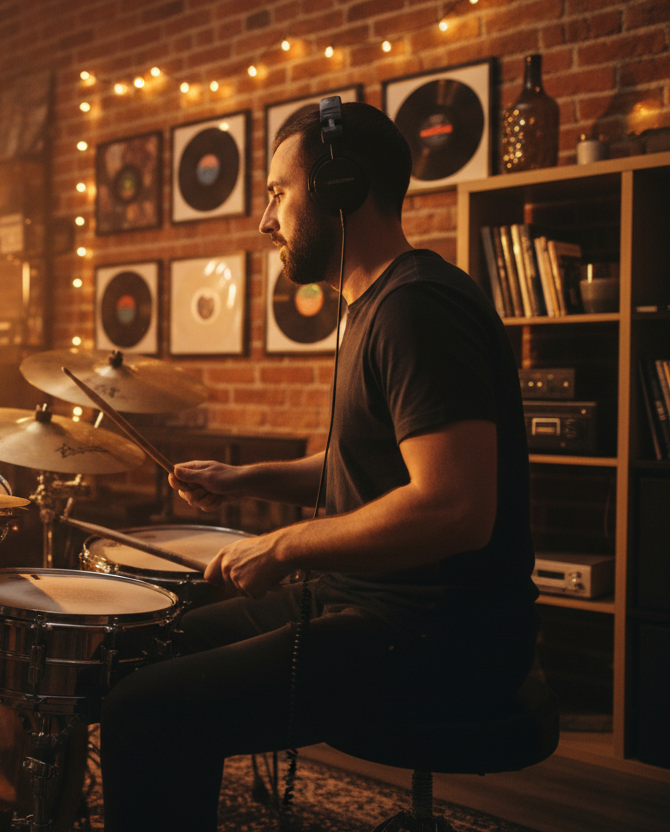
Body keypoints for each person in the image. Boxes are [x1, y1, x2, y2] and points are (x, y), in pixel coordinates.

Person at [98, 102, 539, 831]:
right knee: (148, 647)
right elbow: (366, 463)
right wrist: (245, 481)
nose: (265, 221)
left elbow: (457, 507)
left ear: (341, 189)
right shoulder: (374, 306)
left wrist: (283, 544)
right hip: (364, 602)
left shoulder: (415, 309)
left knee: (143, 713)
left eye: (277, 192)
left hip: (440, 636)